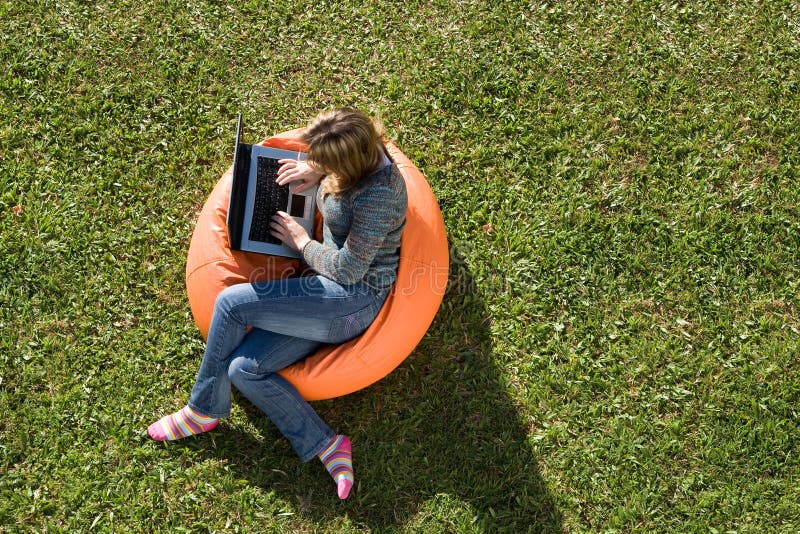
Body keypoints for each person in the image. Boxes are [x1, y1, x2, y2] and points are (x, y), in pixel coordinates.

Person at [147, 108, 408, 500]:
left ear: (349, 165)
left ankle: (201, 409)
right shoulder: (359, 155)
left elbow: (349, 270)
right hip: (323, 292)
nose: (314, 162)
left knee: (232, 303)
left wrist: (301, 243)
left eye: (324, 162)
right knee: (243, 370)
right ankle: (327, 444)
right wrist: (317, 173)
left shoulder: (380, 197)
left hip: (350, 301)